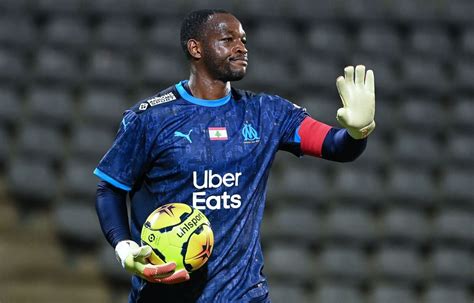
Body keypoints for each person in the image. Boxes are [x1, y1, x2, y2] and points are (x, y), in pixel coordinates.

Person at [94, 8, 375, 303]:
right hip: (164, 293)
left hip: (244, 295)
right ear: (196, 48)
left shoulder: (268, 113)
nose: (241, 47)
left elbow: (336, 147)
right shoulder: (150, 118)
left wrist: (358, 131)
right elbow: (110, 188)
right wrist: (124, 247)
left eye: (243, 39)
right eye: (228, 39)